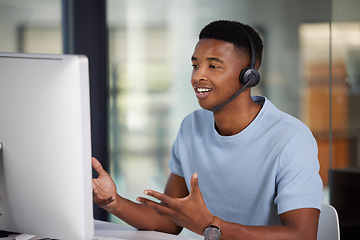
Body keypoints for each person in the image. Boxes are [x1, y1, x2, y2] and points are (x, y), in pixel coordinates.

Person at [92, 20, 323, 240]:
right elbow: (169, 222)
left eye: (213, 66)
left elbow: (302, 235)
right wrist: (112, 201)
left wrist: (210, 225)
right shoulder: (191, 127)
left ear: (249, 75)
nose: (197, 76)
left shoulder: (291, 138)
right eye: (195, 65)